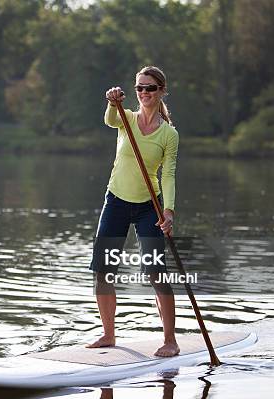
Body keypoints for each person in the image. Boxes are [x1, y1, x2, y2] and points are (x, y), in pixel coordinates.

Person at [87, 66, 180, 357]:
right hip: (115, 200)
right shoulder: (125, 119)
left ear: (161, 91)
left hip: (148, 208)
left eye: (150, 88)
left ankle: (170, 340)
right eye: (139, 88)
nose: (144, 93)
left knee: (156, 272)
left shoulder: (169, 134)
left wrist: (168, 212)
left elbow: (169, 175)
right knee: (103, 271)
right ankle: (108, 335)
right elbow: (109, 118)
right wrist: (112, 100)